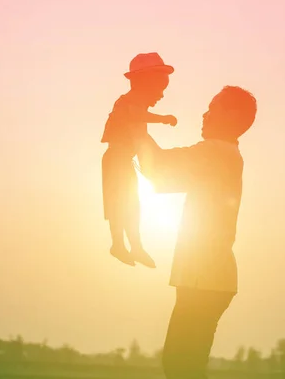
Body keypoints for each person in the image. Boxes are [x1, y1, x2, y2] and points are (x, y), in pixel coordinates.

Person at [136, 86, 257, 378]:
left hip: (205, 279)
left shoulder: (216, 153)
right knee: (183, 365)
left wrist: (135, 125)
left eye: (212, 108)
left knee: (181, 366)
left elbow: (160, 167)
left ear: (231, 116)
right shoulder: (222, 155)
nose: (205, 114)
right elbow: (161, 174)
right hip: (206, 278)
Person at [100, 52, 177, 268]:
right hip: (116, 159)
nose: (160, 96)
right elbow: (135, 116)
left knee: (131, 204)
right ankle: (119, 244)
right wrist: (163, 119)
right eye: (159, 90)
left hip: (124, 160)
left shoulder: (136, 107)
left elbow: (142, 136)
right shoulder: (128, 103)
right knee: (119, 203)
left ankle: (135, 245)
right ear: (144, 83)